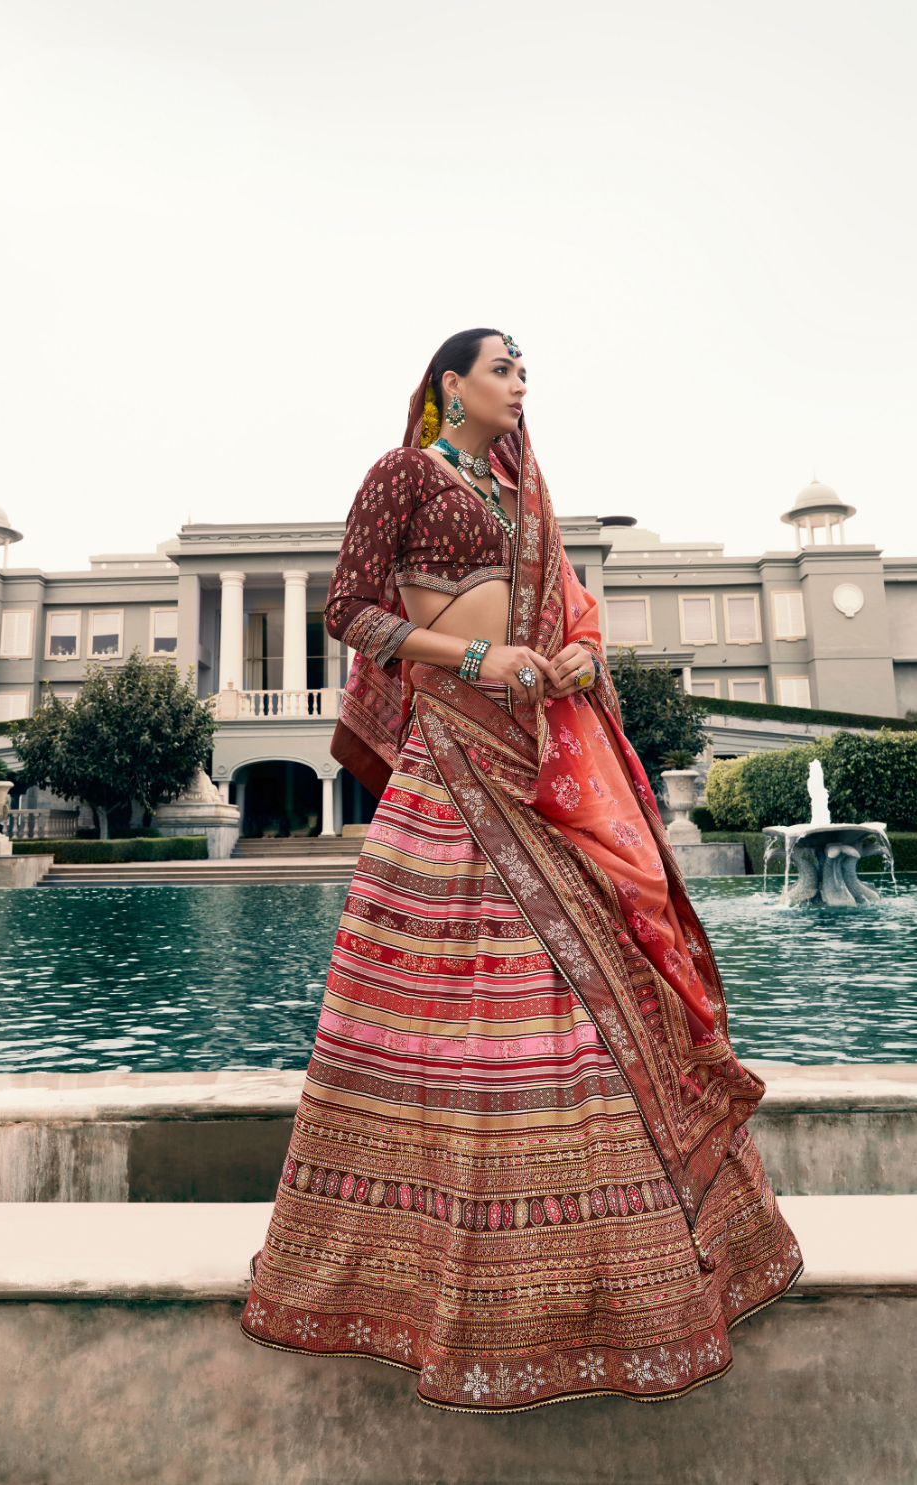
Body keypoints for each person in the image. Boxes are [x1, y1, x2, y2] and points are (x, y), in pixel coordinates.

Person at [241, 328, 801, 1411]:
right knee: (440, 1017)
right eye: (501, 367)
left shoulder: (521, 498)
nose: (519, 383)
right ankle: (408, 1282)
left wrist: (580, 659)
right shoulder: (404, 473)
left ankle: (623, 1279)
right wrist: (474, 656)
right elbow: (348, 609)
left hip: (531, 755)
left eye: (524, 370)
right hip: (451, 761)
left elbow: (569, 617)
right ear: (451, 385)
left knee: (601, 995)